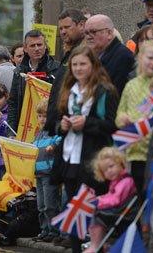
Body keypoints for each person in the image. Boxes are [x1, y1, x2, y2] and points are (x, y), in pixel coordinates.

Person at [51, 46, 119, 253]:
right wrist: (61, 126)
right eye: (75, 64)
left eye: (83, 64)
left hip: (92, 159)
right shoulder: (68, 90)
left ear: (93, 65)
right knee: (73, 209)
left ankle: (96, 247)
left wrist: (87, 123)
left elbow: (112, 125)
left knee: (92, 209)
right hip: (70, 157)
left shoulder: (104, 91)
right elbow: (56, 121)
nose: (79, 69)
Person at [116, 40, 153, 197]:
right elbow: (119, 114)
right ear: (140, 58)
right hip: (133, 152)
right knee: (137, 196)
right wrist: (123, 119)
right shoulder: (131, 85)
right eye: (150, 58)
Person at [83, 147, 137, 253]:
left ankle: (96, 243)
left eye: (111, 166)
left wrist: (97, 202)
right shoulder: (117, 181)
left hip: (124, 213)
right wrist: (98, 199)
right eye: (105, 170)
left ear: (120, 163)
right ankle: (98, 242)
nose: (109, 171)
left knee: (95, 212)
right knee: (92, 210)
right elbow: (109, 196)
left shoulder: (126, 181)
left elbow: (115, 200)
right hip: (119, 211)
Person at [8, 30, 59, 134]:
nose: (37, 49)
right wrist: (11, 132)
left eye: (39, 45)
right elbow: (13, 103)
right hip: (24, 127)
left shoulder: (56, 69)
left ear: (45, 46)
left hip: (48, 129)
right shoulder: (18, 72)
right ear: (25, 49)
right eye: (32, 45)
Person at [45, 9, 87, 137]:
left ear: (81, 25)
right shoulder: (69, 53)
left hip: (72, 125)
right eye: (61, 28)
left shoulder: (85, 53)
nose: (63, 32)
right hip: (60, 126)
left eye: (67, 27)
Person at [32, 98, 61, 243]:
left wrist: (54, 145)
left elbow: (60, 139)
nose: (42, 119)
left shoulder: (54, 131)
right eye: (40, 116)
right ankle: (45, 229)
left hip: (49, 173)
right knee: (41, 205)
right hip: (38, 174)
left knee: (51, 204)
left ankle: (54, 230)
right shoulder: (38, 135)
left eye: (45, 116)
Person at [84, 14, 135, 94]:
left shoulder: (122, 57)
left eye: (93, 32)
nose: (88, 37)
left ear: (109, 33)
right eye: (86, 33)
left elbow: (116, 93)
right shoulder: (91, 56)